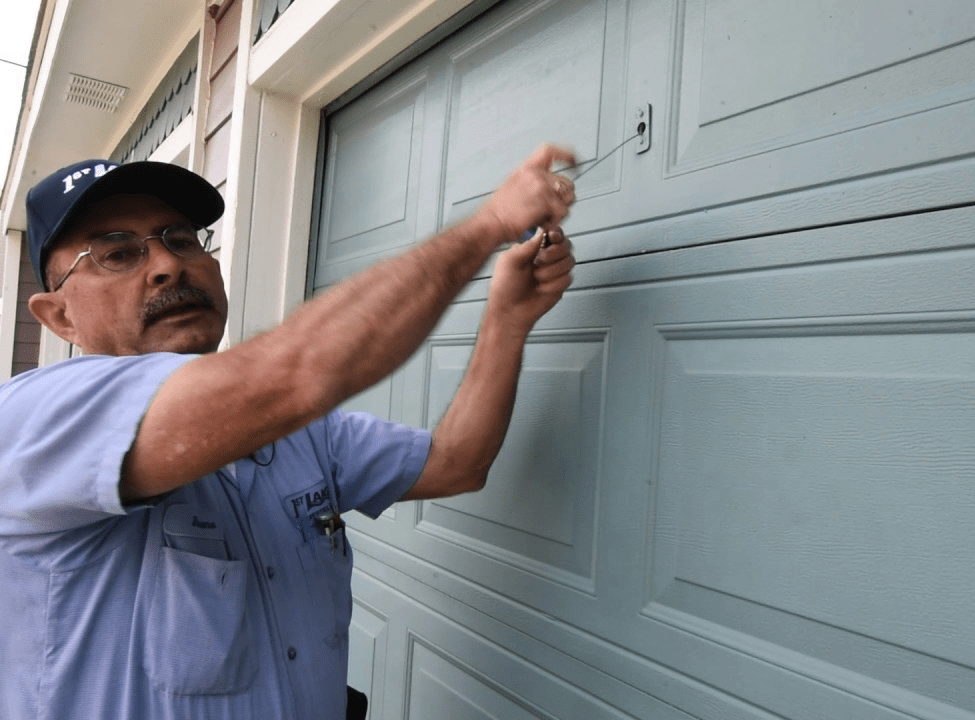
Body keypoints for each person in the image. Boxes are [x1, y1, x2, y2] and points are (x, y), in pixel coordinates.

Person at [0, 145, 578, 719]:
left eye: (181, 239)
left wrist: (508, 317)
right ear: (60, 317)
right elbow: (298, 374)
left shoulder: (299, 435)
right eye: (118, 254)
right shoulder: (35, 422)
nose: (168, 265)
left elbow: (456, 462)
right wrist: (489, 225)